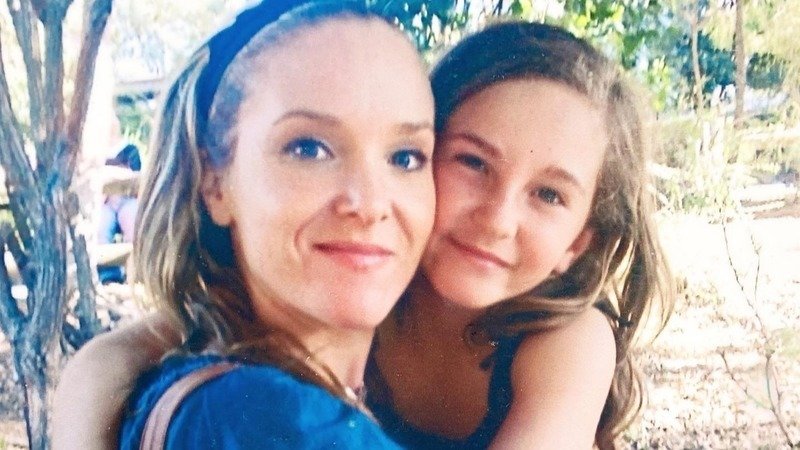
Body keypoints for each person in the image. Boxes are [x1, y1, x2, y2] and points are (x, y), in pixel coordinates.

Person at [54, 19, 673, 450]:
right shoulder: (362, 285)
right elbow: (118, 355)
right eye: (471, 162)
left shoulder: (562, 339)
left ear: (578, 243)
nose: (497, 217)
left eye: (549, 195)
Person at [54, 0, 438, 448]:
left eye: (405, 157)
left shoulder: (209, 393)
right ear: (215, 182)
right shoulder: (277, 423)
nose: (370, 204)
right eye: (309, 149)